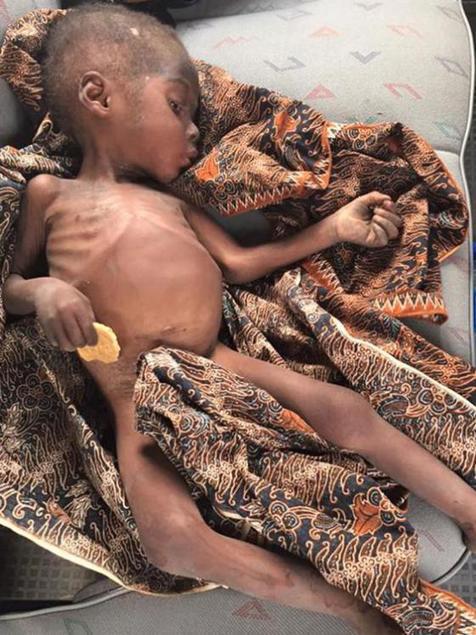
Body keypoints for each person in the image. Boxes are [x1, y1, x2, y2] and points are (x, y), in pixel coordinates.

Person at [3, 5, 475, 633]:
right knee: (169, 541)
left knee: (345, 411)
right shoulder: (51, 195)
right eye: (178, 107)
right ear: (99, 96)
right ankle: (351, 606)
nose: (195, 132)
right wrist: (43, 292)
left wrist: (332, 229)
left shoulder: (171, 203)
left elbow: (240, 264)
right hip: (132, 399)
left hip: (218, 361)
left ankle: (467, 507)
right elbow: (10, 287)